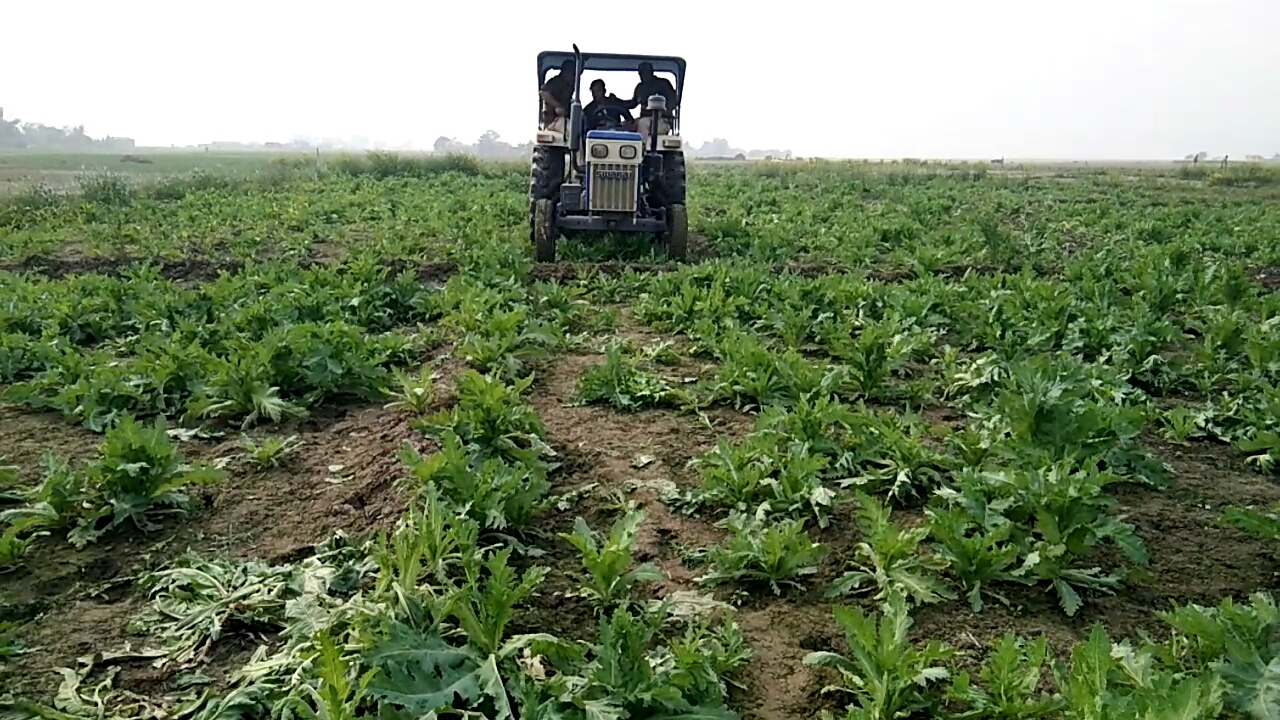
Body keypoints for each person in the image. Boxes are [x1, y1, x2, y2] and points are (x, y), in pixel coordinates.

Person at [625, 62, 678, 138]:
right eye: (641, 73)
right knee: (625, 125)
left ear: (651, 72)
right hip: (644, 118)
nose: (642, 75)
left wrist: (664, 110)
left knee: (643, 123)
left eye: (645, 72)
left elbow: (674, 101)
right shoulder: (640, 87)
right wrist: (617, 102)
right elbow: (632, 104)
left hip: (661, 120)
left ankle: (641, 147)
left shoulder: (663, 84)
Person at [540, 58, 576, 130]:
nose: (573, 75)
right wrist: (558, 106)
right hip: (553, 119)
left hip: (564, 118)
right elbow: (543, 93)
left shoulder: (570, 84)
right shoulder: (556, 82)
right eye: (572, 72)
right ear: (565, 71)